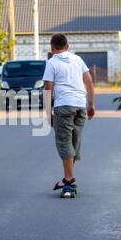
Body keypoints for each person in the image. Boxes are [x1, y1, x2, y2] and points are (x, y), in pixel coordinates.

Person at [42, 34, 95, 191]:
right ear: (68, 46)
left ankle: (69, 180)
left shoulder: (51, 63)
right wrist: (91, 105)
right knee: (74, 141)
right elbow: (89, 82)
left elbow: (48, 89)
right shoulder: (77, 59)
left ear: (52, 49)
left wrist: (47, 114)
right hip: (80, 106)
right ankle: (67, 178)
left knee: (64, 142)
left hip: (64, 105)